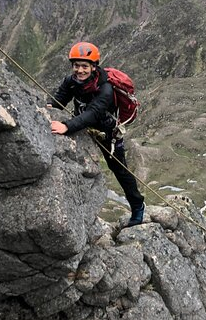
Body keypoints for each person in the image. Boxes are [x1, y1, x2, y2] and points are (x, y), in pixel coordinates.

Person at [48, 42, 145, 227]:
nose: (80, 70)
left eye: (85, 66)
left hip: (107, 134)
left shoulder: (105, 89)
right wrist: (48, 107)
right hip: (82, 129)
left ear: (94, 67)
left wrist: (66, 126)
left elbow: (93, 113)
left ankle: (137, 205)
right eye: (76, 65)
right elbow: (60, 100)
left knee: (119, 170)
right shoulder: (71, 82)